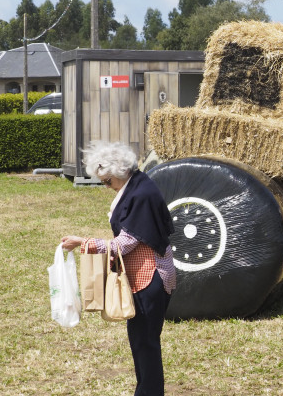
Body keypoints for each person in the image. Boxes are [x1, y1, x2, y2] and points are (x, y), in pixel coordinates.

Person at [61, 141, 176, 396]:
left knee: (145, 343)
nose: (107, 186)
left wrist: (84, 242)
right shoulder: (137, 185)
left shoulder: (141, 194)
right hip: (146, 274)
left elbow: (124, 244)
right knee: (141, 342)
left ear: (120, 171)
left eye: (107, 181)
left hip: (151, 276)